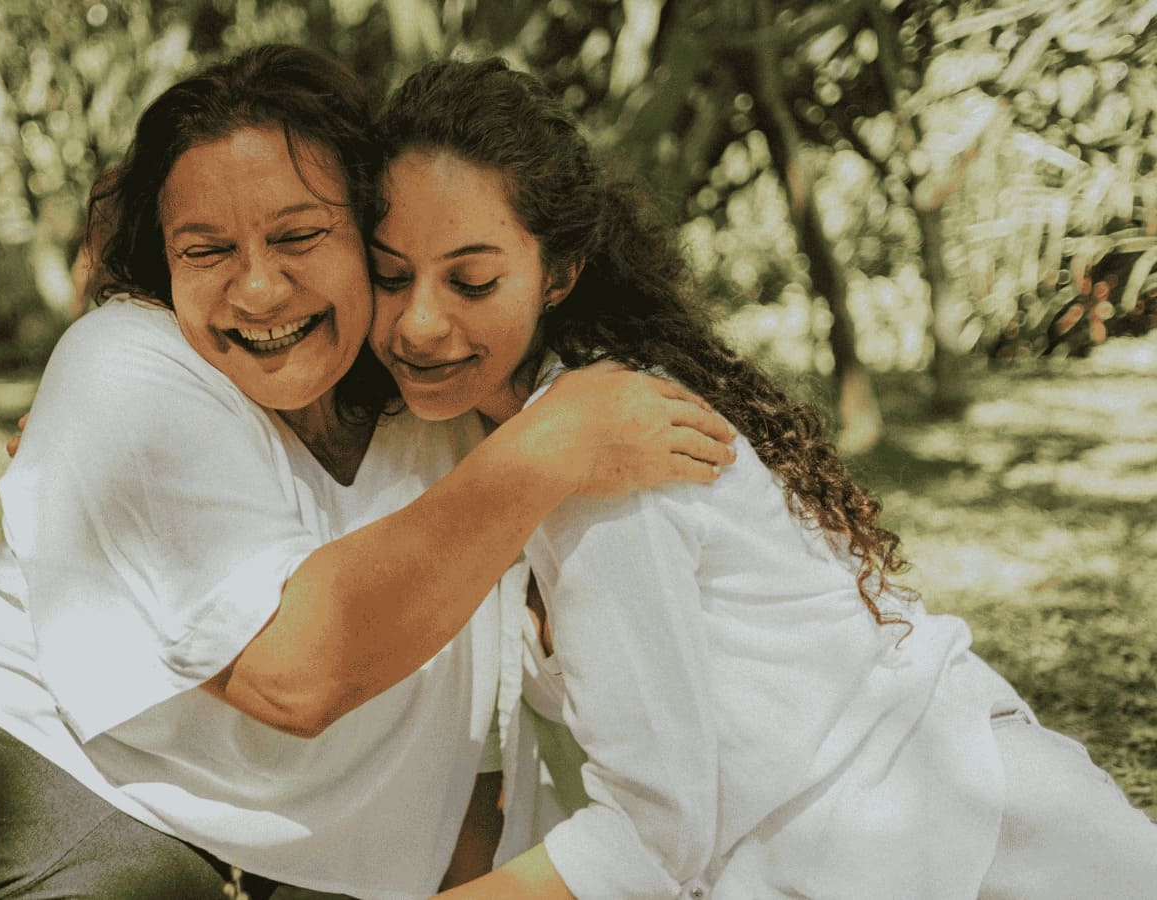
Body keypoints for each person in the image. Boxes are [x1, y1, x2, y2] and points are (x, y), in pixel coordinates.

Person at [0, 47, 737, 899]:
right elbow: (292, 671)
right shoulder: (129, 362)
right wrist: (545, 448)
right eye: (206, 251)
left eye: (298, 236)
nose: (258, 290)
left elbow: (464, 759)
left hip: (146, 858)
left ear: (372, 237)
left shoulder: (444, 412)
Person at [359, 57, 1157, 900]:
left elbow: (652, 841)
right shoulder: (476, 438)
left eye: (471, 280)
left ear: (560, 273)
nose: (419, 321)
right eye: (390, 275)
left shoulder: (610, 453)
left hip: (981, 853)